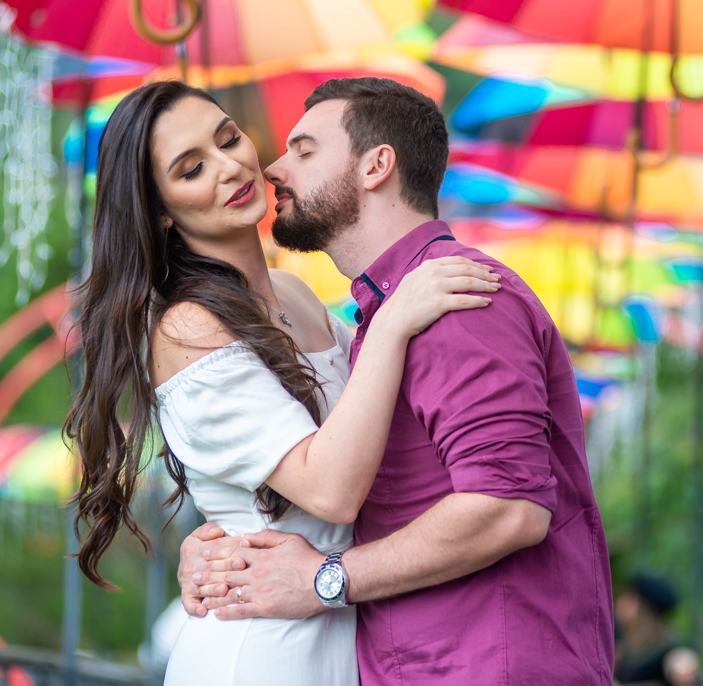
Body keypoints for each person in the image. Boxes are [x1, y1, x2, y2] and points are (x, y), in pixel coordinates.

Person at [63, 79, 501, 685]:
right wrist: (396, 317)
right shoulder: (189, 327)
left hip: (340, 627)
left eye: (227, 138)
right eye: (192, 169)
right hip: (261, 648)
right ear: (161, 210)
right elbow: (331, 490)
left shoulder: (295, 293)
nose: (230, 167)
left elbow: (385, 423)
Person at [178, 78, 616, 685]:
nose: (275, 167)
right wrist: (227, 540)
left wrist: (325, 578)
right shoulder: (384, 314)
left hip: (488, 664)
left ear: (376, 166)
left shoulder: (456, 298)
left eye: (304, 151)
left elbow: (510, 509)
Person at [614, 574, 699, 686]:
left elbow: (680, 660)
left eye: (629, 597)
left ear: (643, 608)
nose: (620, 601)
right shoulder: (620, 643)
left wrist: (684, 665)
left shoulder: (665, 650)